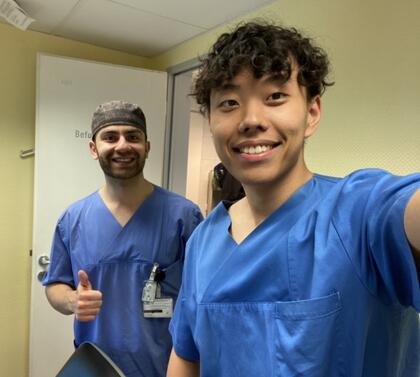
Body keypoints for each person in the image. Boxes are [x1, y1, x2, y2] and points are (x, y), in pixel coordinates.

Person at [166, 22, 420, 377]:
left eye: (275, 97)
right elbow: (186, 354)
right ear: (210, 121)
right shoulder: (202, 243)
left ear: (312, 113)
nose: (251, 120)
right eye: (229, 103)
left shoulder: (359, 213)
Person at [43, 100, 203, 377]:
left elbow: (203, 295)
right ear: (94, 149)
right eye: (110, 137)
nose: (122, 145)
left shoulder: (184, 216)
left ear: (147, 147)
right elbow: (55, 284)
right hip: (96, 366)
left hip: (167, 366)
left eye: (133, 136)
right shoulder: (73, 220)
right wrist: (71, 301)